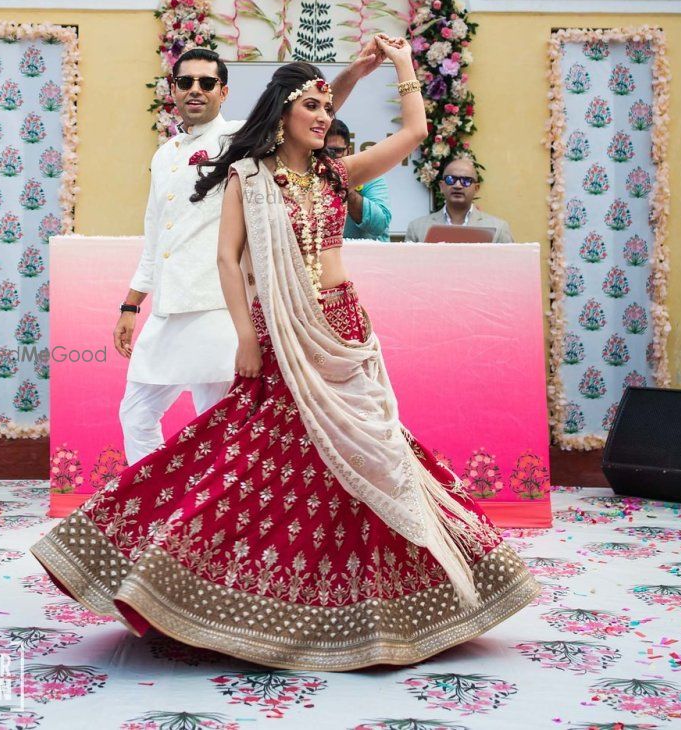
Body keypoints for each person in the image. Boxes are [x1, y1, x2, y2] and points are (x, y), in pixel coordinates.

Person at [31, 39, 539, 671]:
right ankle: (202, 586)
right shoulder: (250, 173)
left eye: (329, 107)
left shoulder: (336, 175)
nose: (324, 116)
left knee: (373, 452)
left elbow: (413, 131)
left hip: (341, 327)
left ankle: (392, 600)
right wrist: (244, 336)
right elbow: (226, 257)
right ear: (284, 114)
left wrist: (399, 63)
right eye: (312, 106)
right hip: (279, 332)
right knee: (259, 458)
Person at [115, 46, 381, 464]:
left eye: (206, 82)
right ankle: (157, 511)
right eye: (186, 82)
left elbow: (309, 112)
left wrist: (354, 73)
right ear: (174, 90)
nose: (195, 90)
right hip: (168, 309)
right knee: (135, 413)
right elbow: (155, 235)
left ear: (223, 91)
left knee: (219, 424)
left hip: (218, 306)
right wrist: (132, 302)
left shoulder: (237, 140)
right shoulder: (164, 153)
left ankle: (209, 517)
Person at [405, 153, 514, 243]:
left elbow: (510, 266)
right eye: (451, 179)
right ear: (441, 186)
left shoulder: (498, 228)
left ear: (476, 188)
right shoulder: (417, 228)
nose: (457, 185)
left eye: (466, 181)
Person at [325, 118, 392, 241]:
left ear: (348, 151)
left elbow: (380, 225)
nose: (330, 157)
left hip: (370, 256)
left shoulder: (369, 174)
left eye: (337, 151)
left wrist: (345, 188)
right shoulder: (308, 177)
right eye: (324, 151)